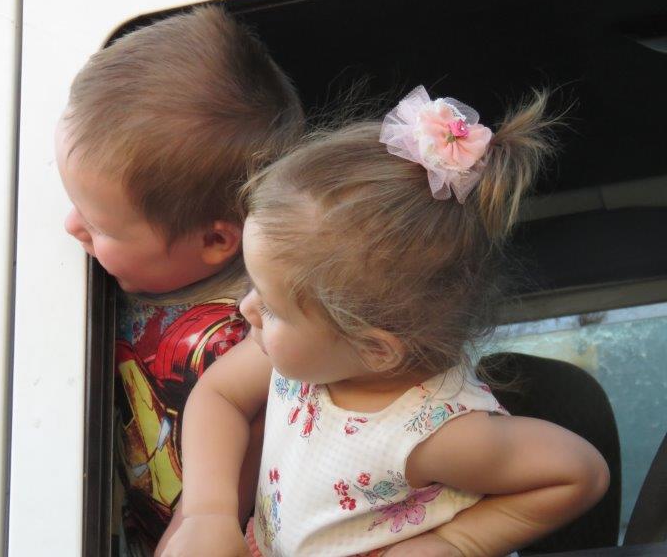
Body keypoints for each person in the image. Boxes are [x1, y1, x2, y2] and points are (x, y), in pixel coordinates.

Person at [164, 86, 611, 556]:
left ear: (375, 348)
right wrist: (208, 513)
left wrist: (457, 542)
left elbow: (579, 473)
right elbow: (219, 396)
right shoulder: (303, 355)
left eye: (272, 307)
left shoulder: (437, 434)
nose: (245, 309)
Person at [56, 5, 305, 556]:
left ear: (215, 240)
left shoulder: (259, 332)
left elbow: (225, 501)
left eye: (100, 225)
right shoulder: (130, 276)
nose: (71, 226)